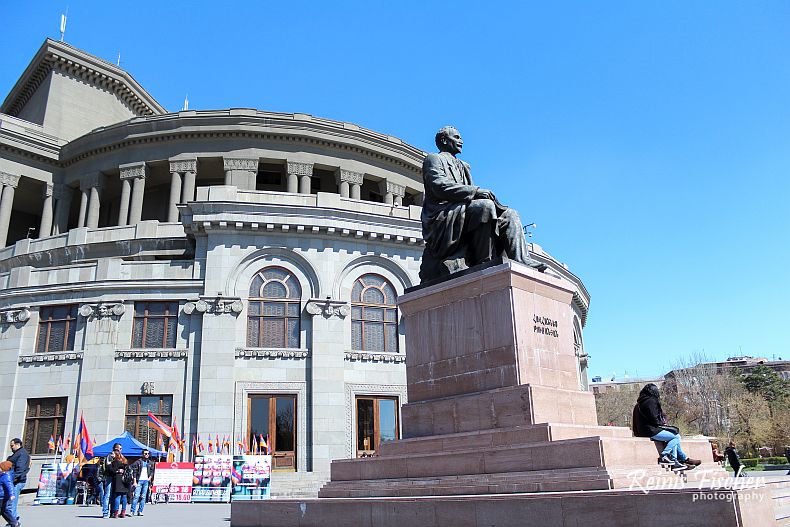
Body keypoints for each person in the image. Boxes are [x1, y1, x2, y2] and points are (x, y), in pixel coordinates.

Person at [418, 126, 545, 281]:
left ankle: (521, 259)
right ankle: (485, 260)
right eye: (457, 137)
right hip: (443, 215)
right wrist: (476, 191)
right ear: (444, 140)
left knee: (511, 214)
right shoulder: (434, 159)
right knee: (484, 207)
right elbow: (439, 186)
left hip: (462, 210)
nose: (462, 141)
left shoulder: (464, 166)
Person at [632, 383, 701, 470]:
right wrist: (662, 424)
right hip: (650, 430)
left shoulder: (639, 404)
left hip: (644, 430)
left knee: (674, 434)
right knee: (676, 437)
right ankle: (666, 457)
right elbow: (654, 417)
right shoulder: (651, 401)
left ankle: (681, 460)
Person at [6, 439, 28, 524]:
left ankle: (13, 521)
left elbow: (20, 469)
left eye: (12, 445)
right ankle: (13, 519)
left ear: (18, 444)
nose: (11, 447)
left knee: (12, 502)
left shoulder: (21, 454)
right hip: (15, 480)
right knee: (10, 501)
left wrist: (11, 479)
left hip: (17, 481)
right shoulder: (18, 453)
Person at [105, 445, 130, 518]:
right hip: (125, 480)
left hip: (118, 479)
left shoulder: (116, 461)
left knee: (117, 496)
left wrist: (109, 464)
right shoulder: (124, 459)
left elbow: (112, 470)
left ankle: (115, 512)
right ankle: (123, 512)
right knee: (124, 496)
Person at [129, 449, 155, 516]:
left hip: (146, 481)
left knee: (143, 497)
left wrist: (150, 478)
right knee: (136, 496)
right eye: (145, 454)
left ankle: (140, 511)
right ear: (142, 454)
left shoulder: (150, 462)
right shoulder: (138, 462)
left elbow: (152, 471)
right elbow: (133, 470)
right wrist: (134, 481)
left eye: (148, 454)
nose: (147, 455)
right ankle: (132, 511)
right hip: (139, 481)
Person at [0, 461, 19, 527]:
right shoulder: (3, 475)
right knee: (4, 510)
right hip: (2, 495)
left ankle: (14, 522)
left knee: (4, 510)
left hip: (2, 496)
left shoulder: (6, 476)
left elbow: (9, 486)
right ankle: (14, 522)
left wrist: (11, 494)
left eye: (0, 467)